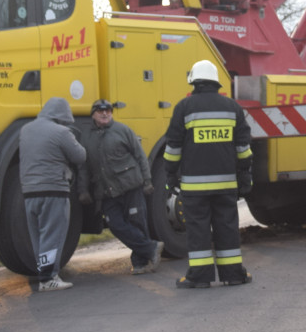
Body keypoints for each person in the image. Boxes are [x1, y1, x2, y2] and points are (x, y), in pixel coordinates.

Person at [164, 59, 253, 289]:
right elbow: (243, 148)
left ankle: (200, 277)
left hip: (195, 188)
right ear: (216, 82)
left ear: (194, 81)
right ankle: (234, 275)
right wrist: (245, 174)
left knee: (198, 231)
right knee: (227, 228)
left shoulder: (184, 108)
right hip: (226, 185)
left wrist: (170, 175)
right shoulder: (232, 108)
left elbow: (173, 147)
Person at [77, 99, 163, 275]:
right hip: (106, 191)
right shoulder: (86, 137)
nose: (105, 113)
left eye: (108, 110)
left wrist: (147, 180)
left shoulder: (123, 130)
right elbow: (83, 167)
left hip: (131, 186)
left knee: (137, 223)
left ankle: (140, 263)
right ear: (93, 114)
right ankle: (151, 248)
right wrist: (83, 190)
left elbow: (140, 155)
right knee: (115, 225)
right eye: (100, 111)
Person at [19, 97, 86, 292]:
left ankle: (45, 275)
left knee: (38, 238)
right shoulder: (61, 132)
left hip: (29, 192)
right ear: (63, 115)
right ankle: (48, 279)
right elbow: (80, 156)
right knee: (52, 236)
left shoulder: (26, 129)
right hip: (53, 190)